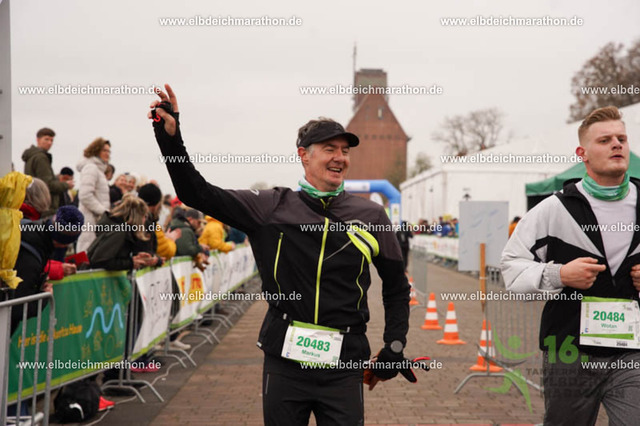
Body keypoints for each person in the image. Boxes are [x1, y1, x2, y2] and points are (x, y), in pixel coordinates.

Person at [150, 84, 412, 425]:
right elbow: (196, 192)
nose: (340, 157)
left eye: (345, 151)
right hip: (285, 362)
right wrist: (171, 139)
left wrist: (394, 346)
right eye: (329, 149)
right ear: (304, 155)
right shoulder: (270, 207)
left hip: (345, 361)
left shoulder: (371, 216)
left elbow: (396, 287)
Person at [501, 106, 640, 425]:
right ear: (582, 154)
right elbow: (511, 267)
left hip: (633, 353)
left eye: (621, 139)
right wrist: (559, 274)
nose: (616, 144)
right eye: (604, 140)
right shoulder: (554, 209)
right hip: (569, 351)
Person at [87, 194, 155, 270]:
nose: (145, 220)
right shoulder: (119, 232)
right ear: (138, 217)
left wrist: (134, 258)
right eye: (145, 216)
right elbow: (101, 261)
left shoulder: (117, 229)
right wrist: (130, 263)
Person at [22, 127, 74, 215]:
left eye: (51, 140)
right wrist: (66, 185)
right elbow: (47, 184)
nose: (49, 143)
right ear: (38, 139)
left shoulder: (32, 156)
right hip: (43, 207)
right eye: (46, 139)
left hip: (33, 203)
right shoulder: (40, 158)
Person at [76, 138, 111, 253]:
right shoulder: (91, 168)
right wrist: (104, 212)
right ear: (96, 150)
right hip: (91, 219)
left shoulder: (99, 170)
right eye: (104, 150)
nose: (107, 154)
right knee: (87, 252)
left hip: (97, 220)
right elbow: (85, 195)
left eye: (109, 151)